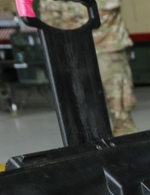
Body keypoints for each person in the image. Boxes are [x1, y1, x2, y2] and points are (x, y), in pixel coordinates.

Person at [39, 0, 137, 136]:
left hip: (108, 49)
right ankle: (94, 148)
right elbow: (49, 25)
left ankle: (125, 147)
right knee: (83, 111)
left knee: (119, 109)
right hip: (74, 53)